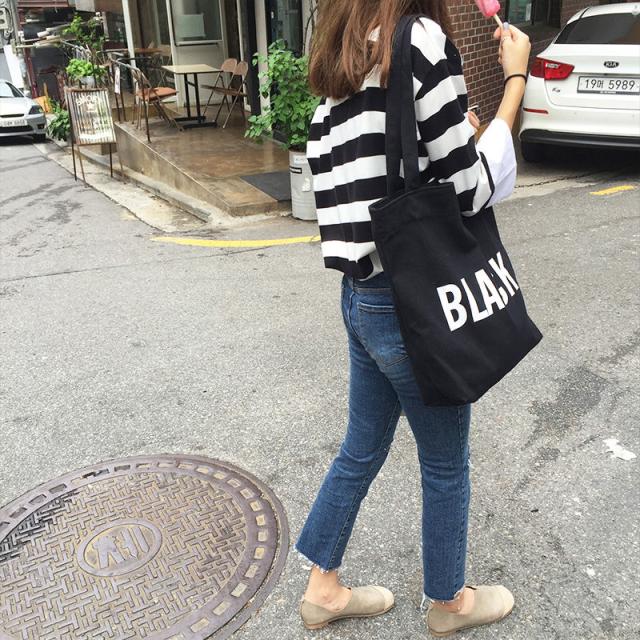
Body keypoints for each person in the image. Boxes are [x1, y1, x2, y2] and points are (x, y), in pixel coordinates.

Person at [295, 0, 531, 637]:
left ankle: (323, 588)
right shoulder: (418, 39)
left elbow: (359, 189)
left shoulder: (341, 67)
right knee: (445, 463)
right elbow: (471, 190)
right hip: (411, 303)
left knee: (361, 446)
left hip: (360, 298)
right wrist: (514, 82)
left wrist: (453, 140)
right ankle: (450, 603)